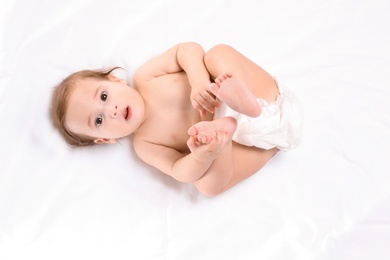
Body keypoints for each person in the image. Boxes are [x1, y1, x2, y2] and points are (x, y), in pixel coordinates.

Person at [51, 42, 303, 197]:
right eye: (98, 120)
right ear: (105, 138)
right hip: (254, 144)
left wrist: (198, 82)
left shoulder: (147, 77)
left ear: (114, 80)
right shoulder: (145, 145)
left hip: (264, 98)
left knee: (217, 54)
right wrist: (202, 155)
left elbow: (187, 50)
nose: (111, 110)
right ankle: (222, 139)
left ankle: (245, 102)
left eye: (104, 96)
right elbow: (178, 171)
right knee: (206, 186)